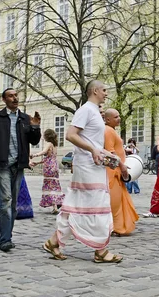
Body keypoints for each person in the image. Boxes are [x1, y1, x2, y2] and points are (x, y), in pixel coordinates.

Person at [43, 80, 126, 262]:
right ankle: (101, 251)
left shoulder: (95, 112)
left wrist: (105, 153)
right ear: (95, 91)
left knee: (78, 205)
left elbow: (93, 142)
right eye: (104, 90)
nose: (106, 93)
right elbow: (71, 135)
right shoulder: (86, 110)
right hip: (87, 166)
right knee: (97, 205)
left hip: (94, 164)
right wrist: (93, 150)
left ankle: (54, 242)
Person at [0, 88, 41, 252]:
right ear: (4, 99)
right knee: (5, 201)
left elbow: (34, 140)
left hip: (18, 166)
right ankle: (4, 240)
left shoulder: (25, 118)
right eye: (11, 96)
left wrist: (35, 127)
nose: (15, 98)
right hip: (2, 164)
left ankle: (8, 237)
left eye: (16, 95)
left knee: (13, 204)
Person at [104, 108, 138, 235]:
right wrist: (122, 166)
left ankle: (117, 226)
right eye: (116, 117)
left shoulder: (111, 130)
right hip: (113, 171)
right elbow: (110, 152)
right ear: (108, 119)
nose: (119, 118)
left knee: (117, 199)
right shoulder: (108, 131)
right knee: (115, 201)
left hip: (115, 169)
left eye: (119, 116)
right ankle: (116, 227)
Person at [30, 129, 65, 214]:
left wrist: (35, 155)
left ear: (47, 136)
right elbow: (49, 158)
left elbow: (44, 152)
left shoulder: (49, 144)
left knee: (49, 186)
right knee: (55, 185)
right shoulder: (55, 145)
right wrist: (38, 163)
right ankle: (58, 202)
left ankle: (55, 206)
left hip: (49, 168)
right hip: (55, 166)